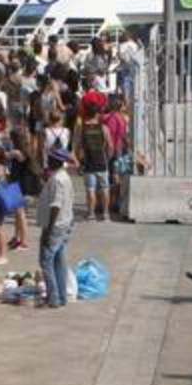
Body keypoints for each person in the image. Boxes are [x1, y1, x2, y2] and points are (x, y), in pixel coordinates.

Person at [38, 147, 74, 308]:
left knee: (46, 261)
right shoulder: (64, 176)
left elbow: (56, 206)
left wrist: (48, 229)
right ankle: (61, 296)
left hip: (56, 225)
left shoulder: (57, 179)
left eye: (50, 159)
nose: (48, 161)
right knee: (59, 261)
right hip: (65, 222)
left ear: (57, 161)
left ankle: (54, 298)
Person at [75, 99, 114, 222]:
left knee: (90, 189)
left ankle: (91, 214)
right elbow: (110, 146)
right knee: (105, 188)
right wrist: (107, 158)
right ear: (97, 114)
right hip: (102, 162)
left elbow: (78, 147)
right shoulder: (104, 128)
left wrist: (79, 160)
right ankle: (105, 214)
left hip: (88, 163)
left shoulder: (82, 129)